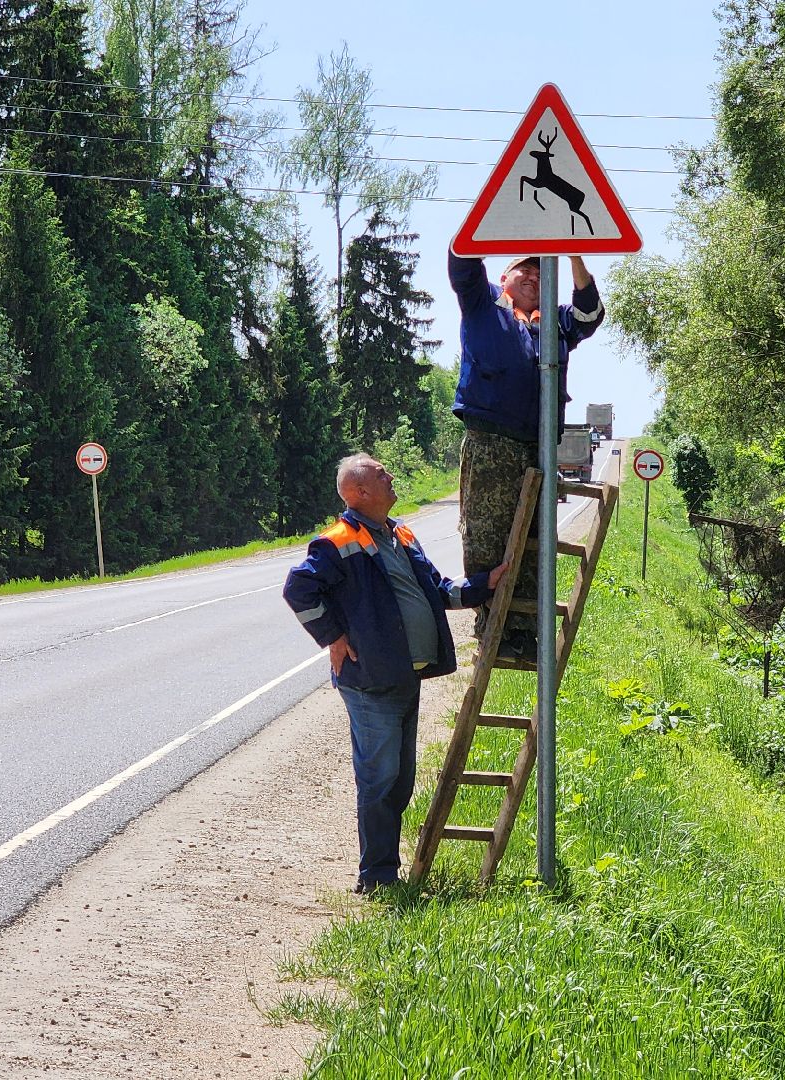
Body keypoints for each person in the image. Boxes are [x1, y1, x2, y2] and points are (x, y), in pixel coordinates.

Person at [282, 453, 506, 892]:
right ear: (359, 492)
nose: (391, 476)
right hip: (371, 680)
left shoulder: (400, 533)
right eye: (381, 473)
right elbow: (298, 588)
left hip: (404, 674)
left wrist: (484, 585)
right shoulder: (336, 540)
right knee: (380, 777)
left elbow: (436, 590)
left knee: (400, 777)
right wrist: (333, 636)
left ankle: (384, 868)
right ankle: (378, 876)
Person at [448, 250, 604, 661]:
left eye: (540, 272)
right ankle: (491, 624)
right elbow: (461, 262)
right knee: (486, 536)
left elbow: (590, 314)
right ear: (505, 276)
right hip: (491, 440)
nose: (533, 277)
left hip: (538, 446)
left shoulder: (556, 321)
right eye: (525, 270)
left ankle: (525, 631)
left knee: (535, 540)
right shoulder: (484, 303)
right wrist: (486, 228)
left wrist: (573, 254)